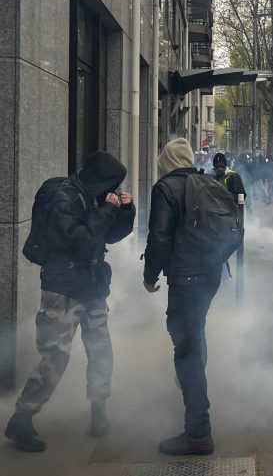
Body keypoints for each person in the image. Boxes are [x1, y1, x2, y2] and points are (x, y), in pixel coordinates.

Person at [5, 152, 135, 452]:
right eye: (112, 184)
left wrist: (125, 210)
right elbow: (80, 240)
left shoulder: (94, 197)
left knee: (101, 349)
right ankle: (21, 418)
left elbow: (112, 235)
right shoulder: (64, 200)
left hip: (91, 286)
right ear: (99, 180)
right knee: (55, 356)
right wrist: (105, 210)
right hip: (62, 289)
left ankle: (99, 407)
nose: (113, 190)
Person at [143, 138, 226, 456]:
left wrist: (150, 275)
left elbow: (159, 236)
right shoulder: (208, 182)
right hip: (210, 274)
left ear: (166, 161)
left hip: (185, 277)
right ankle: (192, 385)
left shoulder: (165, 188)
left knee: (187, 349)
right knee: (195, 336)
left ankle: (198, 433)